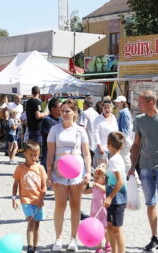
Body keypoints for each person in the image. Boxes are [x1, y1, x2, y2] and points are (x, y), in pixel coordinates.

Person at [128, 90, 158, 253]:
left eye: (140, 102)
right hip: (145, 167)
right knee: (150, 203)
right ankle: (154, 237)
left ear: (151, 103)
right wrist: (132, 166)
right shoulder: (140, 120)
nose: (138, 105)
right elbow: (136, 144)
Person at [46, 99, 92, 252]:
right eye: (63, 110)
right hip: (59, 171)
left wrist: (88, 172)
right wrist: (48, 173)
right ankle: (58, 239)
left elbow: (86, 154)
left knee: (75, 205)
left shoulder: (80, 130)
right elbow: (50, 153)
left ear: (74, 113)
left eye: (68, 111)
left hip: (76, 171)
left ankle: (73, 239)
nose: (64, 113)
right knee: (60, 205)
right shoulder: (55, 129)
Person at [12, 140, 48, 253]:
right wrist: (14, 198)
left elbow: (44, 186)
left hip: (38, 200)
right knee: (31, 222)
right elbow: (15, 184)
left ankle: (35, 247)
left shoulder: (40, 168)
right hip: (26, 200)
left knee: (37, 225)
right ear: (25, 154)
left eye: (36, 155)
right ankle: (30, 247)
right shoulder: (20, 168)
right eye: (31, 155)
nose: (34, 157)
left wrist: (42, 199)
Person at [105, 131, 127, 253]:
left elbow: (120, 182)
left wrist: (109, 197)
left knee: (117, 230)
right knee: (110, 227)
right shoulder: (115, 158)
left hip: (117, 200)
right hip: (113, 200)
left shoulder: (114, 160)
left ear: (109, 144)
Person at [83, 163, 109, 253]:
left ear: (104, 179)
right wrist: (85, 183)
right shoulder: (94, 188)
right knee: (97, 229)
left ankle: (108, 244)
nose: (95, 180)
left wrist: (97, 184)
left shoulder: (104, 187)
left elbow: (105, 190)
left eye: (98, 178)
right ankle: (99, 247)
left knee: (105, 229)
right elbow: (84, 191)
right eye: (94, 178)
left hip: (103, 211)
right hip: (95, 211)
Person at [93, 97, 119, 165]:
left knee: (112, 168)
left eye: (109, 107)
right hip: (102, 148)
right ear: (102, 108)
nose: (107, 109)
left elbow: (116, 132)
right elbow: (96, 134)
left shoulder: (113, 117)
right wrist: (99, 146)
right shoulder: (98, 119)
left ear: (112, 108)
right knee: (103, 169)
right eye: (105, 107)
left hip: (112, 148)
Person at [40, 97, 62, 166]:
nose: (62, 109)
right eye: (60, 107)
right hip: (48, 155)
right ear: (53, 109)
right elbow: (53, 137)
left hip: (58, 154)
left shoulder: (61, 120)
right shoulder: (47, 120)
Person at [114, 95, 134, 169]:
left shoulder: (123, 113)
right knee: (125, 158)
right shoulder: (125, 112)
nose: (116, 103)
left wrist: (122, 141)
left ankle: (134, 176)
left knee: (125, 159)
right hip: (126, 139)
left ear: (122, 103)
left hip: (124, 140)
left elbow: (124, 129)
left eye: (118, 102)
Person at [79, 96, 99, 162]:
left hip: (86, 142)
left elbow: (82, 128)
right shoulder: (97, 114)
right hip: (95, 143)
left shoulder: (84, 113)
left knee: (86, 162)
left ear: (85, 104)